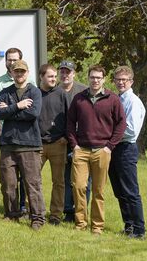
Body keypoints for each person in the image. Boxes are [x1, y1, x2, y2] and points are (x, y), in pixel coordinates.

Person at [67, 65, 126, 235]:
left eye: (98, 77)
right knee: (78, 187)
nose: (95, 80)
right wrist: (75, 145)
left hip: (102, 150)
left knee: (98, 191)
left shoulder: (112, 99)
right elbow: (70, 123)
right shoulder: (79, 98)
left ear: (104, 79)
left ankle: (97, 227)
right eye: (92, 77)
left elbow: (121, 123)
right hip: (82, 150)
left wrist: (110, 146)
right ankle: (80, 224)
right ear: (88, 78)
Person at [0, 59, 46, 230]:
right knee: (8, 183)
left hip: (29, 145)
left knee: (32, 184)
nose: (19, 74)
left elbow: (33, 113)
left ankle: (37, 218)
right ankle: (12, 214)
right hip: (8, 145)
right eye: (16, 71)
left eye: (22, 71)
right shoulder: (5, 91)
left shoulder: (35, 92)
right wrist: (17, 106)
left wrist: (9, 110)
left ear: (27, 73)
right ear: (12, 73)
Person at [0, 47, 32, 215]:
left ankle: (23, 205)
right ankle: (10, 207)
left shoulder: (30, 83)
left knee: (25, 173)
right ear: (6, 61)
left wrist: (9, 109)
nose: (12, 62)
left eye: (15, 59)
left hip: (24, 134)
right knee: (8, 173)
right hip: (5, 133)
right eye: (9, 60)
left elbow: (31, 109)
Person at [109, 65, 146, 239]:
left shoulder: (133, 102)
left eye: (125, 80)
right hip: (115, 149)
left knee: (130, 191)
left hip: (126, 149)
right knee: (119, 191)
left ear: (131, 81)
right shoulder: (118, 99)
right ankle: (129, 226)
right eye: (118, 79)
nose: (121, 82)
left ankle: (139, 230)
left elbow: (131, 131)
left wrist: (108, 134)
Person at [37, 64, 70, 225]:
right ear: (41, 77)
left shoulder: (62, 94)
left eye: (54, 76)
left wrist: (66, 136)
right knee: (34, 180)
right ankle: (37, 212)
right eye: (50, 76)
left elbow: (70, 117)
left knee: (59, 182)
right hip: (38, 145)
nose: (54, 79)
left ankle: (56, 215)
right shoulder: (34, 94)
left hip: (58, 143)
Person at [58, 59, 89, 222]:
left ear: (73, 73)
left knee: (82, 181)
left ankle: (82, 211)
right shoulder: (55, 90)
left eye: (68, 72)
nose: (65, 75)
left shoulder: (83, 90)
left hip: (81, 142)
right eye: (62, 71)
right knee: (65, 178)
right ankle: (68, 211)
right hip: (62, 142)